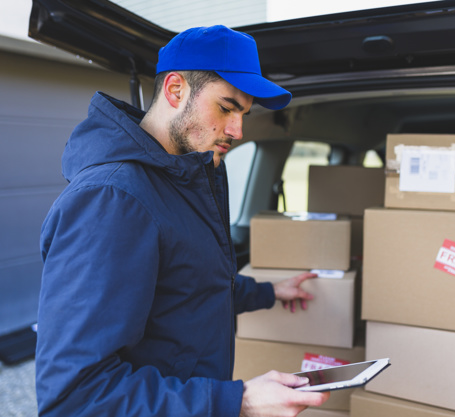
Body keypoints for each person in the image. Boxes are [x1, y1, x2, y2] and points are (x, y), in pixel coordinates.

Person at [35, 25, 330, 416]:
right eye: (226, 107)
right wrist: (235, 402)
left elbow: (190, 283)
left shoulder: (187, 179)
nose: (237, 130)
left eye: (243, 113)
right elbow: (75, 395)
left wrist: (270, 292)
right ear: (176, 90)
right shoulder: (112, 199)